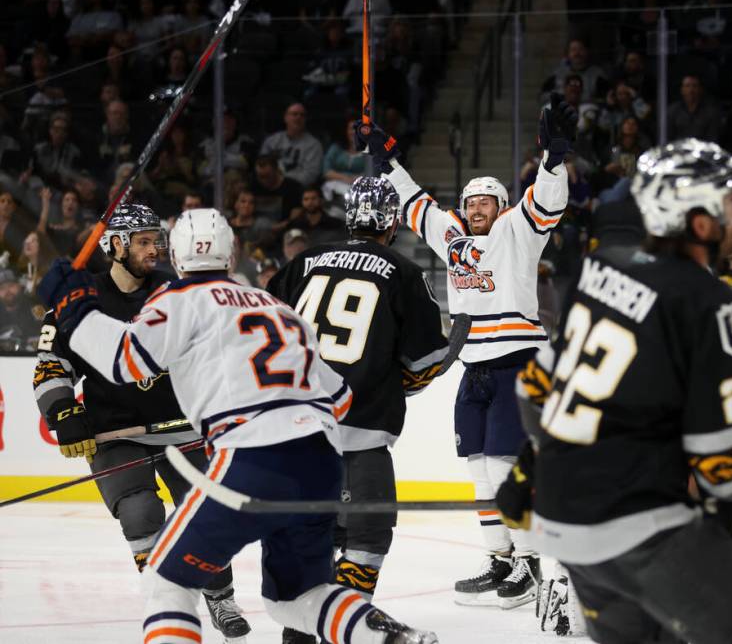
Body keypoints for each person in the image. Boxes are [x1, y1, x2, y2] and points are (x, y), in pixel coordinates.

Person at [36, 208, 439, 644]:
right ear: (231, 256)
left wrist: (73, 306)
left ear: (176, 253)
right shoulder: (277, 307)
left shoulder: (178, 300)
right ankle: (391, 637)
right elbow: (339, 398)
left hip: (253, 456)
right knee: (296, 598)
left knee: (165, 581)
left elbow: (123, 361)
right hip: (321, 462)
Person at [499, 139, 732, 643]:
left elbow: (536, 394)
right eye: (728, 205)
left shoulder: (598, 272)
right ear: (698, 221)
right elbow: (725, 468)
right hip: (640, 528)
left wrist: (534, 464)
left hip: (562, 524)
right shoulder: (715, 306)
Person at [355, 94, 577, 609]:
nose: (478, 208)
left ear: (502, 208)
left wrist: (553, 160)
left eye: (487, 202)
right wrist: (387, 160)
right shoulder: (452, 236)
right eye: (472, 202)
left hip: (516, 365)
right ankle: (500, 556)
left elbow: (547, 202)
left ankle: (529, 564)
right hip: (473, 366)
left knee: (504, 468)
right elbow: (414, 205)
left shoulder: (517, 231)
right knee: (478, 469)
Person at [30, 205, 252, 641]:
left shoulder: (176, 292)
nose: (156, 250)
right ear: (115, 245)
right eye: (144, 242)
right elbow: (51, 365)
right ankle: (165, 600)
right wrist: (63, 410)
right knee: (140, 511)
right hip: (116, 433)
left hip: (182, 430)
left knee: (207, 512)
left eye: (158, 241)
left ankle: (220, 595)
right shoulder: (81, 297)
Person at [268, 176, 449, 644]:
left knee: (311, 540)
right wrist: (395, 383)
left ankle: (306, 628)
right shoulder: (405, 272)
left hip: (296, 438)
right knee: (367, 539)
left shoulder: (302, 262)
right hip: (360, 436)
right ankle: (345, 627)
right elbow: (427, 363)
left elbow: (266, 340)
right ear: (391, 222)